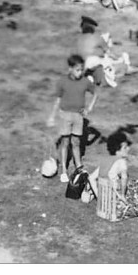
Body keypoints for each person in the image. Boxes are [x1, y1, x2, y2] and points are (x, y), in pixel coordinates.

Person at [47, 54, 97, 183]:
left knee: (76, 143)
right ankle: (64, 169)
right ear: (70, 69)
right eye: (77, 70)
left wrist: (89, 108)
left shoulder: (85, 81)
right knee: (65, 142)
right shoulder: (63, 82)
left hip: (78, 116)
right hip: (65, 115)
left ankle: (78, 166)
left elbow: (94, 92)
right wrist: (52, 116)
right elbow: (58, 100)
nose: (80, 73)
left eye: (81, 70)